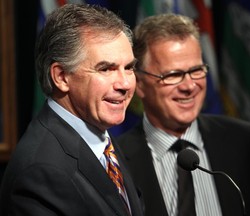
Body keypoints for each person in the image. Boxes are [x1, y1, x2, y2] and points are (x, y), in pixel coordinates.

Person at [116, 13, 250, 216]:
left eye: (196, 70)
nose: (189, 86)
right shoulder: (116, 161)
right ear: (139, 84)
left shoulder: (246, 142)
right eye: (173, 75)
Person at [0, 4, 144, 216]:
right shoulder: (41, 171)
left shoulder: (100, 137)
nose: (125, 84)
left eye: (129, 68)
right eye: (106, 69)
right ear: (61, 77)